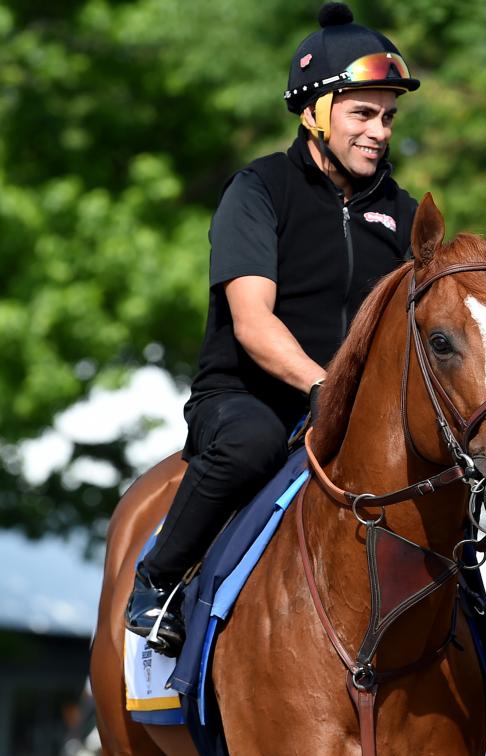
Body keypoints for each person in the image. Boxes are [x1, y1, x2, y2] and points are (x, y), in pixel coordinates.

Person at [125, 2, 420, 654]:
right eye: (362, 113)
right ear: (313, 113)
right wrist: (326, 386)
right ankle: (159, 577)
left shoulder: (406, 213)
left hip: (349, 416)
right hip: (245, 401)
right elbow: (254, 323)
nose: (379, 131)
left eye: (389, 117)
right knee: (254, 441)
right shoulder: (259, 189)